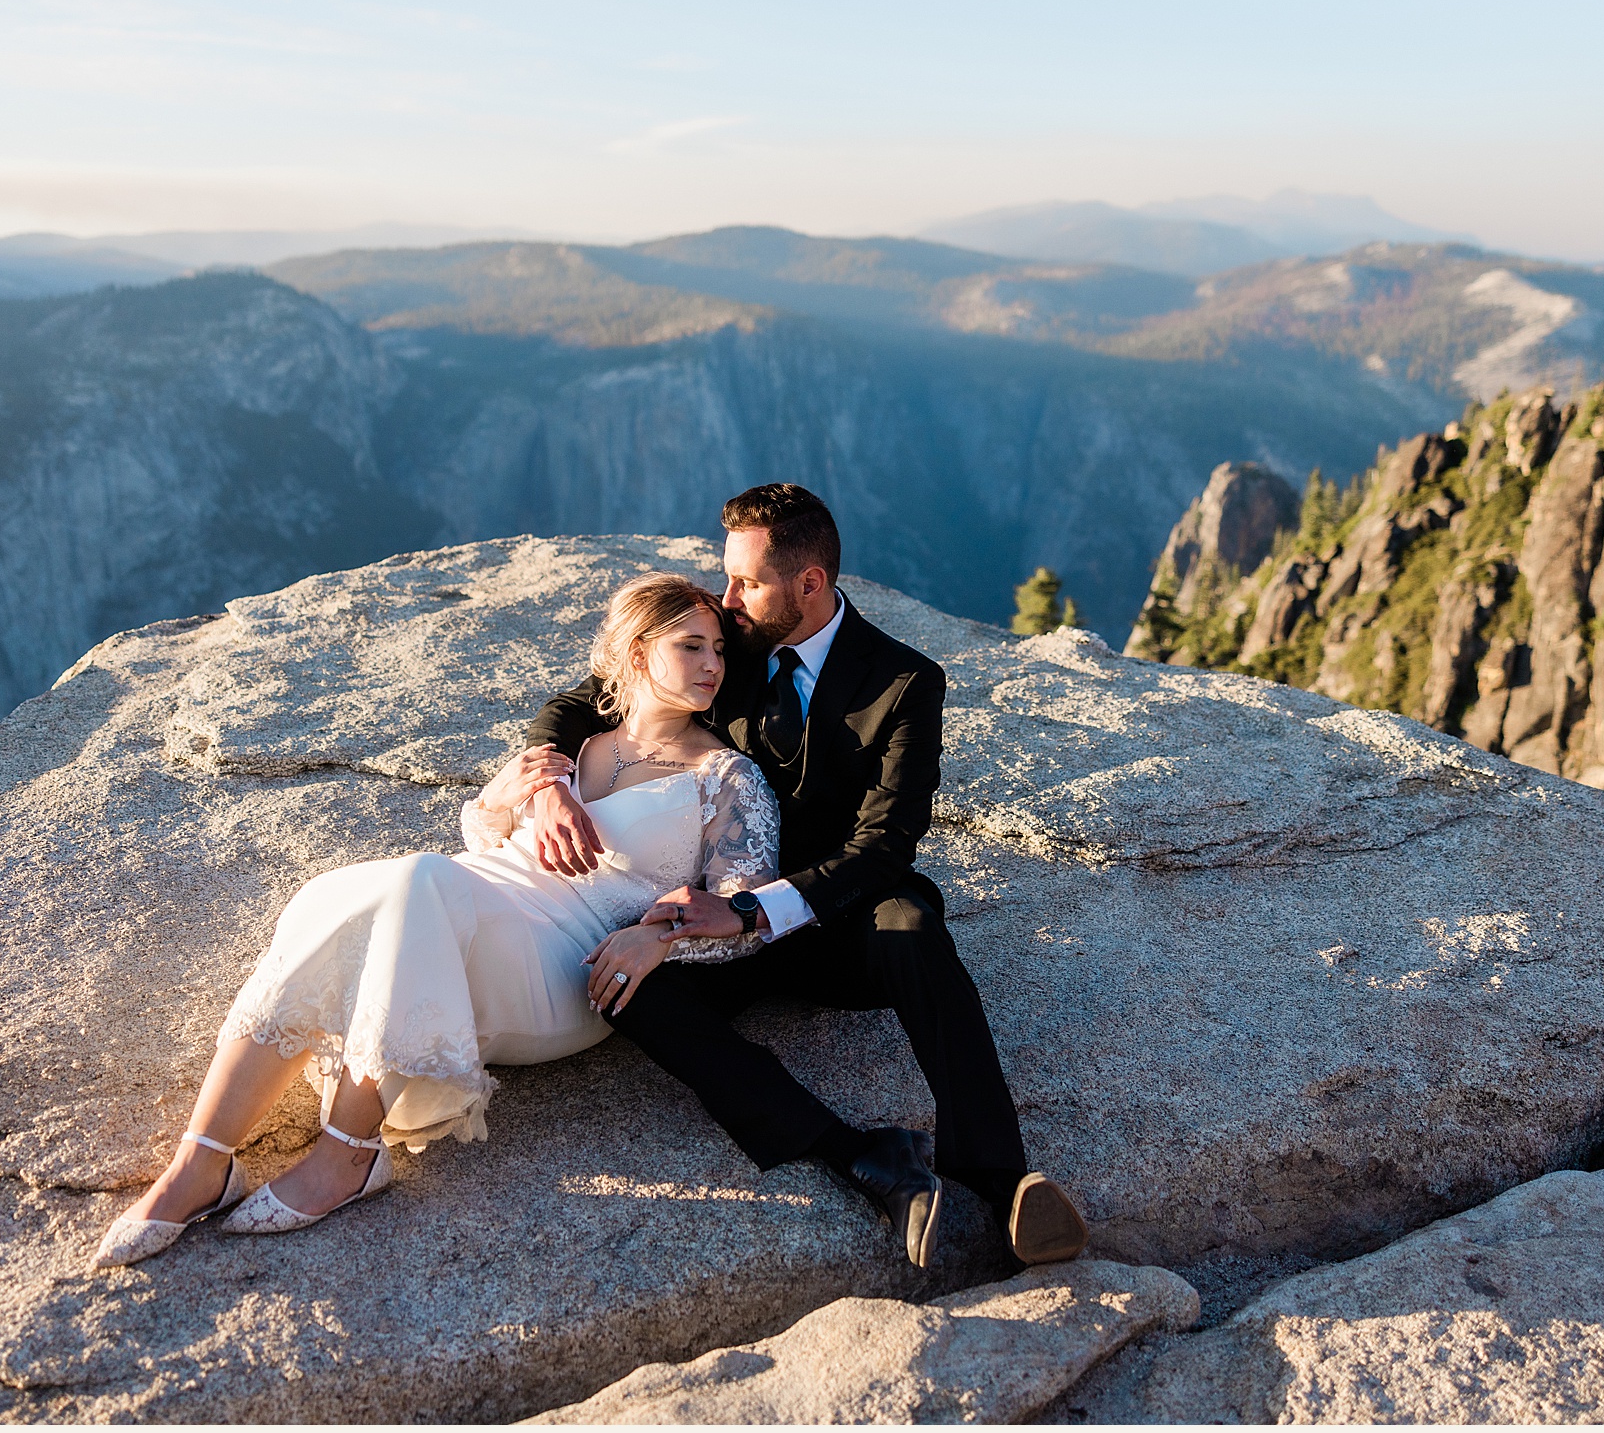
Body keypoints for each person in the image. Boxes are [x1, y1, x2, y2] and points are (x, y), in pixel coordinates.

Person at [92, 574, 780, 1270]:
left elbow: (741, 915)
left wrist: (655, 937)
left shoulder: (725, 776)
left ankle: (348, 1155)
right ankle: (200, 1162)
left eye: (719, 650)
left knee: (420, 878)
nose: (713, 666)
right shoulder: (573, 748)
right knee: (340, 892)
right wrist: (504, 796)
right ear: (635, 653)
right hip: (479, 903)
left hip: (566, 963)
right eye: (691, 646)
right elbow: (486, 837)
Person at [526, 483, 1086, 1269]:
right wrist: (548, 779)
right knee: (626, 979)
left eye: (746, 583)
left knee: (915, 926)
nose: (726, 602)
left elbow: (886, 845)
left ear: (810, 585)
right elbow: (581, 701)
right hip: (712, 908)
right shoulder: (724, 645)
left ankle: (1002, 1182)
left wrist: (753, 913)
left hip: (837, 919)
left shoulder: (904, 684)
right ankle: (861, 1156)